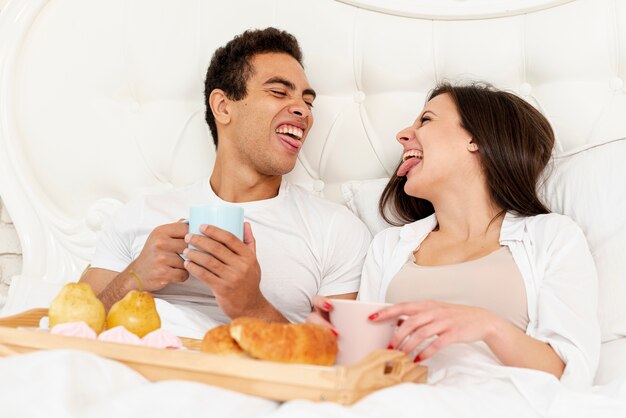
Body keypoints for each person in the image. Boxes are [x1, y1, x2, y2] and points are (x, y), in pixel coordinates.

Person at [309, 82, 600, 388]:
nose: (402, 135)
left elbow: (572, 375)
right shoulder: (389, 247)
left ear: (476, 138)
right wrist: (331, 344)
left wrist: (489, 327)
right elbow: (364, 370)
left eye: (426, 119)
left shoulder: (552, 236)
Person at [81, 28, 371, 324]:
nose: (303, 111)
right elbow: (69, 329)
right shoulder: (140, 215)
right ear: (223, 107)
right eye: (279, 92)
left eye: (307, 102)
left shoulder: (337, 231)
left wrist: (251, 305)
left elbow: (332, 361)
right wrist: (133, 279)